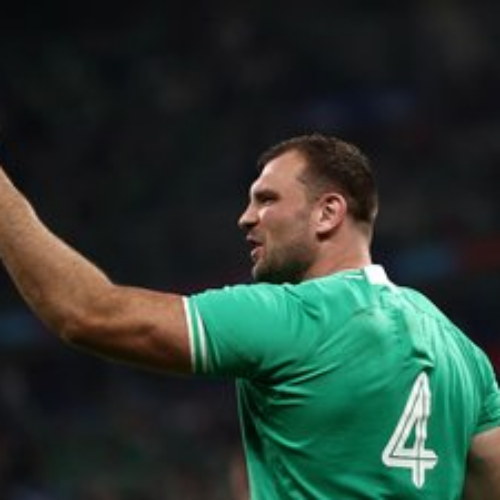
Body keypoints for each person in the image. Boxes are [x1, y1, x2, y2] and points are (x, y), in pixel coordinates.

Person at [0, 133, 499, 499]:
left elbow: (87, 313)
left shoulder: (292, 317)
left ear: (328, 213)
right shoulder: (463, 354)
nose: (245, 218)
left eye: (266, 200)